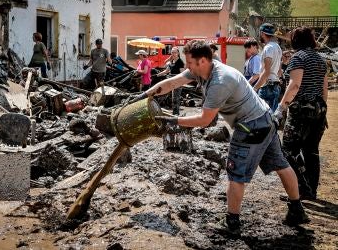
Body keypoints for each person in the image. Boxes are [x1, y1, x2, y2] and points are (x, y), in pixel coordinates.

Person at [132, 40, 309, 234]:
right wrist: (145, 96)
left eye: (189, 63)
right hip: (265, 118)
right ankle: (297, 209)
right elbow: (173, 82)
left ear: (202, 61)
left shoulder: (220, 80)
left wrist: (172, 121)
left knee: (236, 174)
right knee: (281, 165)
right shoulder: (202, 69)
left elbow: (205, 120)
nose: (187, 66)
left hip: (251, 127)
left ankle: (232, 223)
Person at [274, 27, 328, 200]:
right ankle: (311, 190)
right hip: (319, 109)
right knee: (311, 150)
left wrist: (281, 108)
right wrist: (323, 113)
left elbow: (294, 85)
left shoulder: (299, 57)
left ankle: (300, 189)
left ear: (296, 40)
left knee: (288, 150)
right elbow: (324, 89)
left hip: (301, 110)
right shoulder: (320, 59)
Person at [253, 23, 283, 111]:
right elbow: (279, 70)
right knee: (271, 117)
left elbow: (267, 71)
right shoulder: (277, 47)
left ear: (262, 33)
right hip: (275, 86)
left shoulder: (268, 48)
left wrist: (255, 88)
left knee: (260, 115)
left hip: (267, 87)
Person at [157, 47, 185, 115]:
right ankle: (173, 113)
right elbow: (167, 71)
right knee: (171, 98)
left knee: (176, 98)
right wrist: (158, 74)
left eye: (174, 52)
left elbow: (182, 73)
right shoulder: (171, 61)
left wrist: (180, 82)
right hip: (170, 81)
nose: (173, 54)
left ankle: (176, 114)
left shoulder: (180, 62)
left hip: (177, 81)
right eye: (172, 52)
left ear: (178, 53)